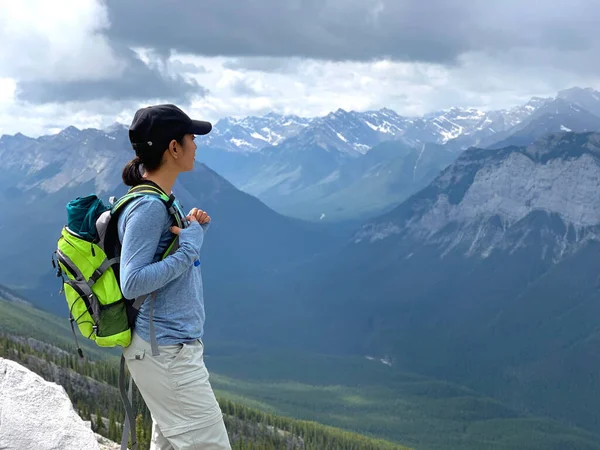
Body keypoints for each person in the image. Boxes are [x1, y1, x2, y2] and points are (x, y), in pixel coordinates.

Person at [117, 104, 231, 449]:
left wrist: (193, 234)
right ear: (173, 148)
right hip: (166, 352)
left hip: (166, 348)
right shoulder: (150, 206)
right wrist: (188, 250)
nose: (196, 143)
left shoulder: (162, 199)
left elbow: (169, 261)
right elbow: (132, 281)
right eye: (190, 137)